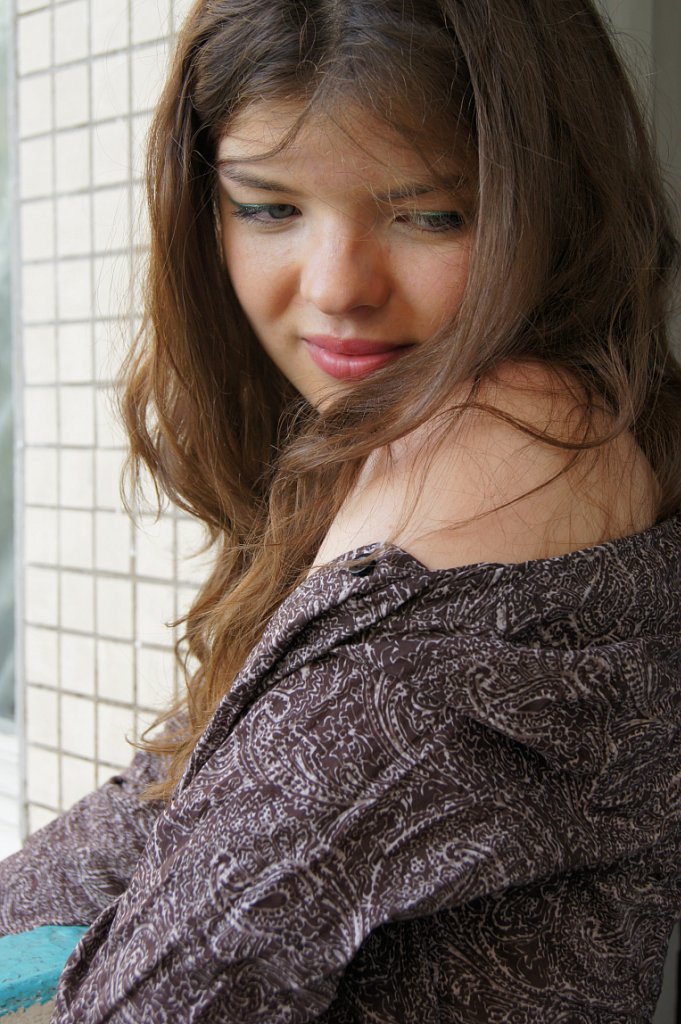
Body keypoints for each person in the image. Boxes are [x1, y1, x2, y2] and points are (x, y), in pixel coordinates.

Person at [2, 0, 681, 1019]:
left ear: (553, 206)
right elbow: (152, 814)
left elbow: (174, 984)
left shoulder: (514, 436)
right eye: (269, 208)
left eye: (430, 214)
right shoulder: (384, 441)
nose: (334, 288)